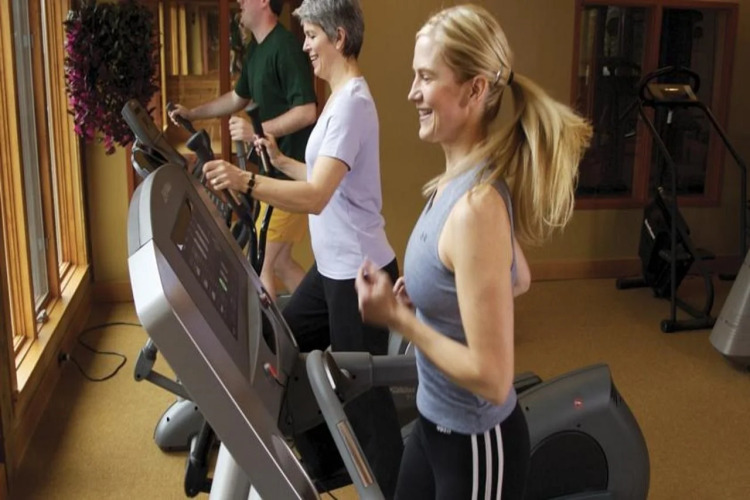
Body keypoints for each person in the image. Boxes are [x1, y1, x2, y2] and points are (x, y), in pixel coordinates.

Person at [355, 4, 592, 499]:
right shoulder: (455, 181)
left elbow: (494, 378)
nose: (412, 92)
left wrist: (400, 321)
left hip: (476, 444)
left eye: (426, 77)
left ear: (475, 89)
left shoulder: (475, 207)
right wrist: (435, 294)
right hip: (433, 426)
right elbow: (518, 276)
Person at [202, 0, 403, 496]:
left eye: (312, 35)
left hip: (359, 276)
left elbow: (316, 197)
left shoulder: (352, 104)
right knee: (283, 347)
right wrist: (278, 162)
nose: (306, 46)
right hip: (331, 270)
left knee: (365, 399)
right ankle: (325, 462)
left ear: (339, 37)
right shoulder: (336, 98)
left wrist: (246, 181)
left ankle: (395, 489)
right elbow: (322, 174)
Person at [169, 0, 316, 300]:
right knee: (280, 263)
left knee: (261, 265)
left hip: (289, 176)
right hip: (271, 175)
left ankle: (270, 333)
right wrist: (193, 113)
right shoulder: (257, 50)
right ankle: (320, 320)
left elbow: (307, 111)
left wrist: (256, 132)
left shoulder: (285, 47)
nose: (239, 2)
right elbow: (237, 98)